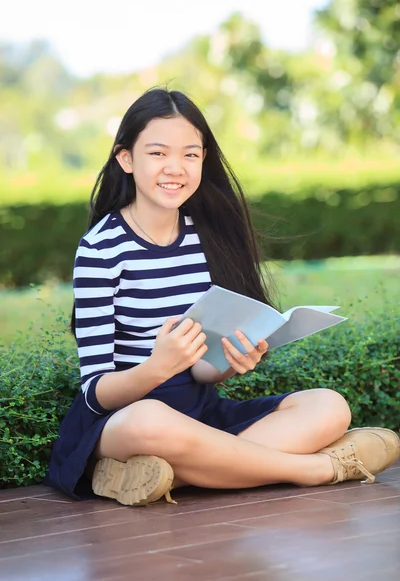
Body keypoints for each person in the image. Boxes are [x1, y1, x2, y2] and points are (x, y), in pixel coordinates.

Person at [45, 88, 400, 506]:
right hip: (123, 422)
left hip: (201, 417)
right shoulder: (101, 249)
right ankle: (318, 469)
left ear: (203, 160)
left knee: (329, 407)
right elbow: (93, 391)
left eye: (190, 155)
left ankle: (168, 475)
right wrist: (158, 368)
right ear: (126, 159)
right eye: (158, 153)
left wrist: (227, 364)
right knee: (149, 418)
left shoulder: (208, 236)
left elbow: (200, 372)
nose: (175, 168)